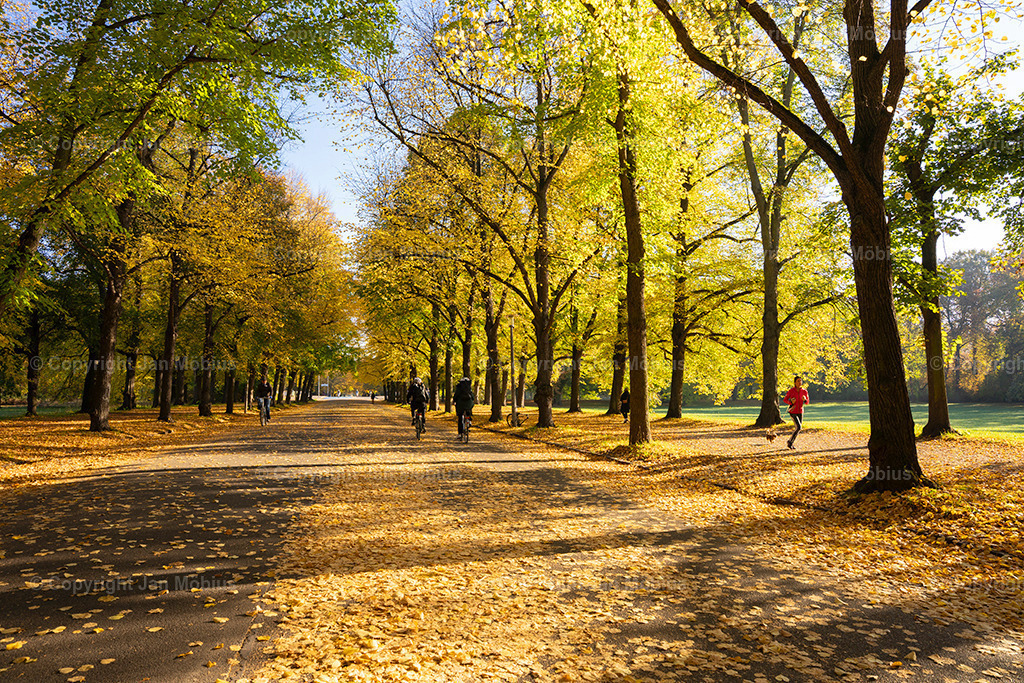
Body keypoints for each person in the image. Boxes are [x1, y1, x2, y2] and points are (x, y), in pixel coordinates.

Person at [782, 375, 809, 449]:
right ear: (795, 382)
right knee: (798, 427)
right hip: (793, 411)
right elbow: (785, 400)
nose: (800, 382)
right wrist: (791, 401)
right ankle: (790, 442)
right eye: (798, 381)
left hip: (800, 411)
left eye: (800, 381)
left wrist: (805, 399)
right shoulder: (791, 391)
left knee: (798, 428)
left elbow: (807, 402)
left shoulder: (804, 391)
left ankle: (790, 442)